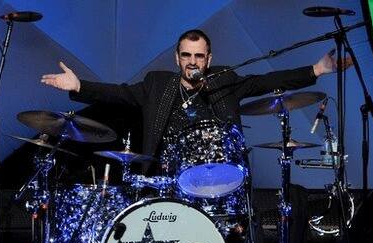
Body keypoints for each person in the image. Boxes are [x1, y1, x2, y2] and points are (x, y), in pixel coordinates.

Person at [41, 29, 351, 175]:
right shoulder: (157, 84)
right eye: (186, 55)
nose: (192, 62)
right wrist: (80, 85)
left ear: (208, 58)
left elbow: (265, 82)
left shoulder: (223, 81)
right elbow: (119, 93)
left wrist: (316, 70)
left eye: (198, 56)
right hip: (163, 175)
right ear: (177, 58)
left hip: (219, 173)